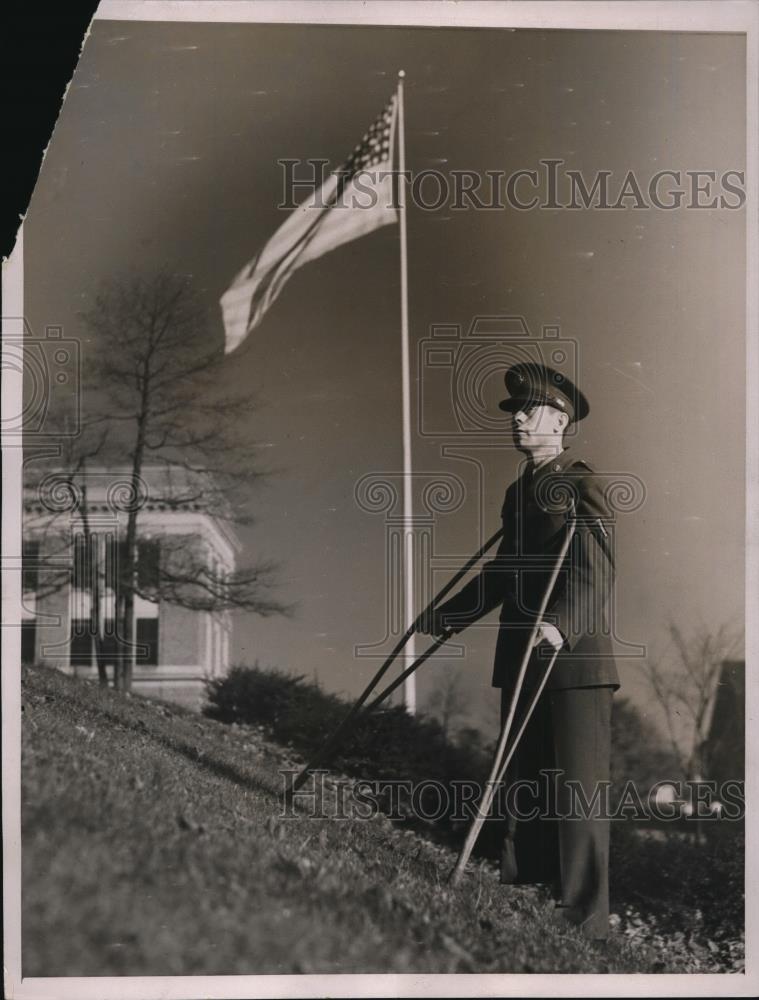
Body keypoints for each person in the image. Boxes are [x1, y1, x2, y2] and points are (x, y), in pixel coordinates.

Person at [419, 362, 619, 940]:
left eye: (529, 411)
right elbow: (505, 571)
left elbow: (597, 569)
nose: (518, 420)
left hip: (573, 658)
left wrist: (560, 624)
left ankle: (587, 922)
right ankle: (525, 894)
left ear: (559, 421)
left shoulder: (582, 482)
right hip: (522, 653)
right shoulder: (519, 491)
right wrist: (449, 615)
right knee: (521, 778)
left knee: (576, 791)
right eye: (515, 413)